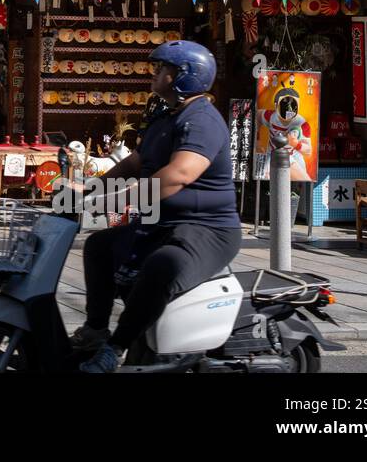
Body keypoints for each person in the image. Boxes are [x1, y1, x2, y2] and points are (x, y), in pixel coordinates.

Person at [72, 40, 241, 373]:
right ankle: (95, 329)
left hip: (206, 229)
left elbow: (180, 174)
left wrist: (120, 199)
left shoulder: (202, 120)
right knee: (99, 247)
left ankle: (114, 349)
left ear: (184, 76)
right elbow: (135, 162)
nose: (156, 73)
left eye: (163, 68)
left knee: (160, 267)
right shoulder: (166, 117)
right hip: (162, 223)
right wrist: (89, 190)